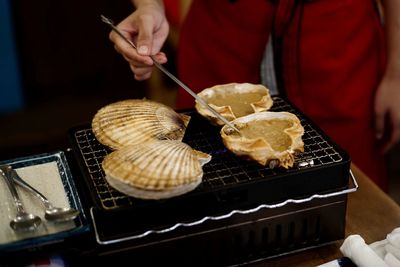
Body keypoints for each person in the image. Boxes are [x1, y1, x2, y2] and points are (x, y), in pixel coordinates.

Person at [110, 0, 400, 191]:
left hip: (336, 42)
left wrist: (396, 70)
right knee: (213, 189)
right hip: (225, 35)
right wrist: (150, 6)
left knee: (350, 199)